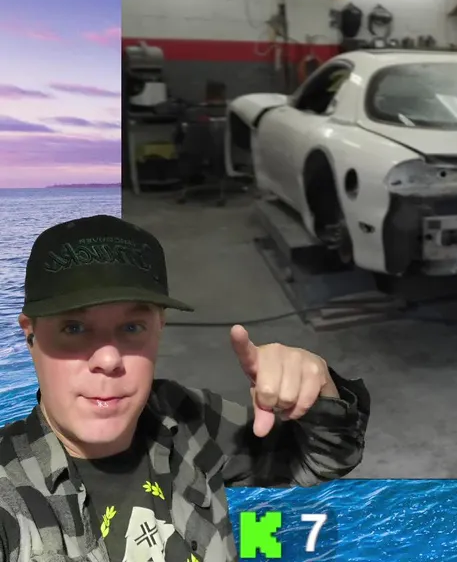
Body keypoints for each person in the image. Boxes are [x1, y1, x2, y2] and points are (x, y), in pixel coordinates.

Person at [0, 215, 371, 561]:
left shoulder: (188, 418)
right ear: (30, 334)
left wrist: (317, 390)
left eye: (132, 327)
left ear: (159, 328)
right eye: (74, 328)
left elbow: (321, 463)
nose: (109, 358)